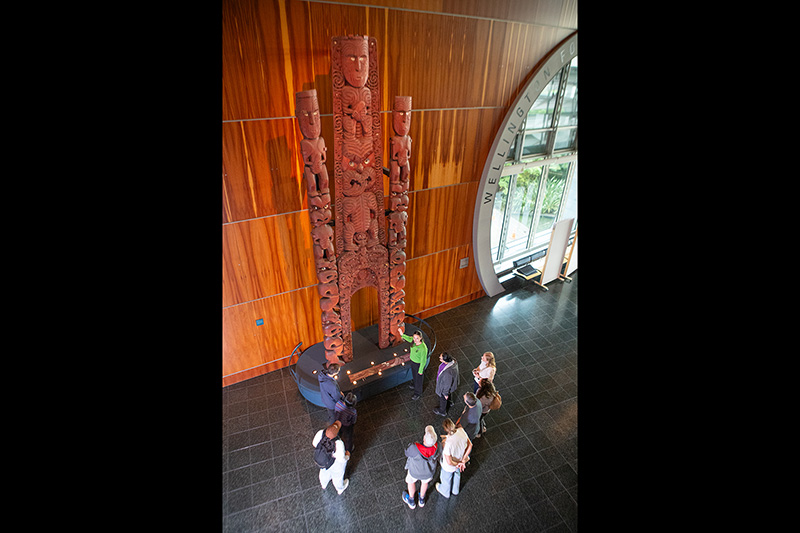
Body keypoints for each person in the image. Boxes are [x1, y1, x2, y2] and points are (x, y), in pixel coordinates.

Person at [402, 425, 440, 509]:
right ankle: (422, 499)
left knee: (411, 482)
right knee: (425, 483)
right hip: (428, 473)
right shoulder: (438, 447)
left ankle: (411, 501)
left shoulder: (415, 448)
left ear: (424, 438)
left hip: (414, 472)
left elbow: (407, 453)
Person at [435, 418, 472, 498]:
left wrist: (458, 464)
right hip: (460, 460)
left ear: (445, 429)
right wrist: (462, 461)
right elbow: (470, 445)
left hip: (450, 467)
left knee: (446, 478)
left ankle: (445, 491)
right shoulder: (461, 430)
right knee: (457, 475)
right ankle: (455, 490)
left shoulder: (448, 443)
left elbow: (449, 462)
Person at [312, 420, 350, 494]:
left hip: (324, 462)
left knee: (324, 472)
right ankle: (340, 489)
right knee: (338, 476)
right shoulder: (338, 443)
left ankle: (323, 484)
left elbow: (314, 443)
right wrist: (347, 456)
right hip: (335, 465)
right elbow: (341, 459)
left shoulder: (320, 433)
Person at [398, 325, 428, 400]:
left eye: (417, 338)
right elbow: (409, 338)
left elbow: (423, 360)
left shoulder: (423, 348)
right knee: (414, 375)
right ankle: (414, 384)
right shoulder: (414, 341)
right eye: (414, 337)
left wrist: (420, 370)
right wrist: (401, 334)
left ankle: (418, 392)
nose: (415, 340)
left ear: (420, 338)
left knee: (419, 379)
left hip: (418, 365)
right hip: (413, 362)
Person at [433, 352, 459, 416]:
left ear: (445, 360)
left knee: (443, 398)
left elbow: (447, 385)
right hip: (450, 384)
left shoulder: (448, 373)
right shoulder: (453, 361)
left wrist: (445, 394)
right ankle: (449, 402)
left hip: (444, 386)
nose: (439, 358)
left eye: (441, 358)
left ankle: (442, 411)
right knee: (449, 394)